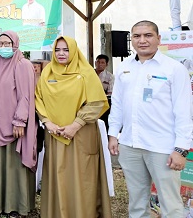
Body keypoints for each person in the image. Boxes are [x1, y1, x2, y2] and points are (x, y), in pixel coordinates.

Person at [108, 20, 193, 218]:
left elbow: (184, 112)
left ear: (158, 39)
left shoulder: (173, 69)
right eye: (137, 36)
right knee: (137, 203)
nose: (142, 40)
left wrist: (181, 149)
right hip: (130, 144)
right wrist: (113, 134)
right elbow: (118, 104)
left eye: (148, 35)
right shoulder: (124, 67)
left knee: (170, 205)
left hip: (163, 147)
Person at [35, 36, 111, 218]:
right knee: (58, 176)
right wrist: (48, 122)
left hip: (81, 135)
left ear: (74, 51)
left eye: (66, 50)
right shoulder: (47, 73)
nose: (61, 54)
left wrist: (75, 125)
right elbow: (39, 99)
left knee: (82, 177)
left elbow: (96, 102)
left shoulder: (86, 73)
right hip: (54, 135)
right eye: (58, 50)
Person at [0, 31, 37, 217]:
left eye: (8, 43)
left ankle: (15, 205)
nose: (4, 47)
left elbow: (26, 96)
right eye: (0, 44)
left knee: (14, 165)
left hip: (13, 126)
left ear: (16, 44)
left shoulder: (23, 65)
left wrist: (20, 121)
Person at [95, 54, 114, 130]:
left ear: (106, 64)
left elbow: (110, 92)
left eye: (102, 62)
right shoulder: (90, 74)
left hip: (104, 101)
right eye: (98, 62)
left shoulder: (110, 76)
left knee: (104, 122)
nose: (100, 64)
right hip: (91, 100)